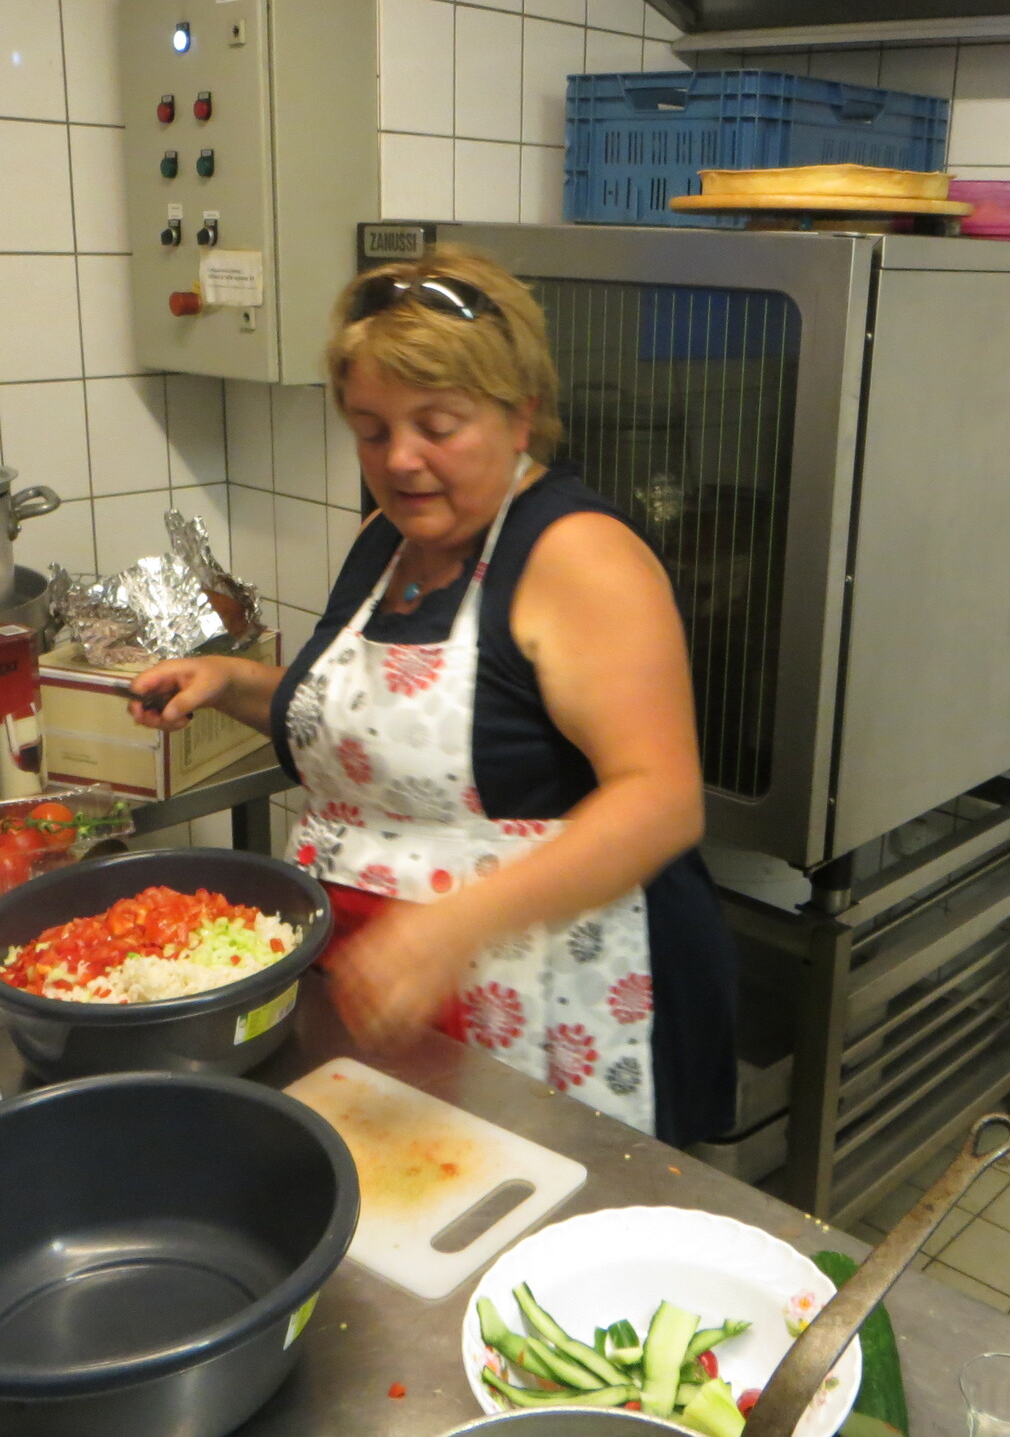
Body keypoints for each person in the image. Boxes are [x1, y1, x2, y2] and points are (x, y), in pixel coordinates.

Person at [132, 247, 737, 1147]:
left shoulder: (579, 556)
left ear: (520, 413)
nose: (401, 459)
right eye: (371, 430)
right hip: (382, 984)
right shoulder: (387, 539)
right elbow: (378, 733)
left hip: (546, 996)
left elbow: (662, 801)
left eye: (437, 425)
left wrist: (451, 930)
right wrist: (235, 683)